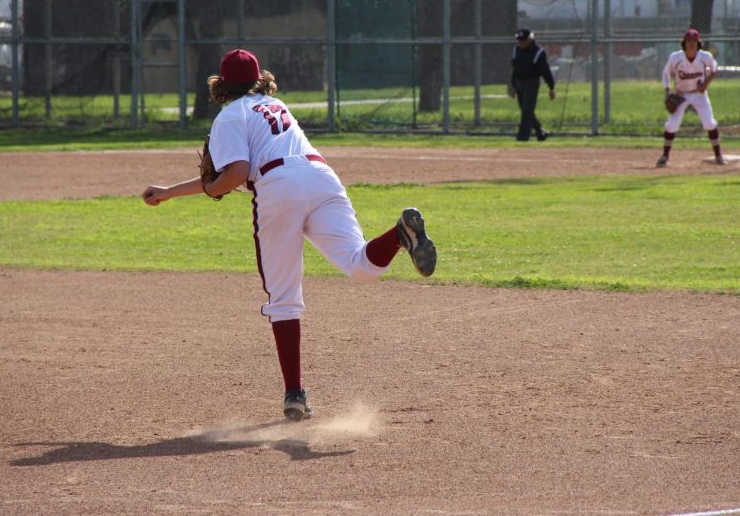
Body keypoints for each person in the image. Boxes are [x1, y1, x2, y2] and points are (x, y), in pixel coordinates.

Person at [141, 49, 437, 421]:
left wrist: (215, 186)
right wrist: (169, 191)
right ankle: (398, 235)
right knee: (362, 266)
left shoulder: (229, 116)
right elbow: (246, 168)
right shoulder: (274, 104)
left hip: (278, 187)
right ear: (258, 80)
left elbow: (235, 175)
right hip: (320, 175)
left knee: (284, 299)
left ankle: (295, 394)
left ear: (219, 86)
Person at [657, 29, 724, 167]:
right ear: (684, 43)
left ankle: (718, 156)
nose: (691, 44)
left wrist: (705, 84)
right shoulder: (675, 57)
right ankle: (665, 156)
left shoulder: (705, 56)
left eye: (694, 41)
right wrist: (667, 91)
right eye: (688, 41)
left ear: (698, 43)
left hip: (699, 95)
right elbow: (665, 73)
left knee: (709, 123)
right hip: (681, 94)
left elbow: (715, 68)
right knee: (671, 125)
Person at [508, 28, 555, 142]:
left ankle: (522, 137)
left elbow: (545, 71)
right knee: (525, 110)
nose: (520, 43)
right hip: (519, 82)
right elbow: (514, 70)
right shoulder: (516, 50)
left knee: (527, 110)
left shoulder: (538, 52)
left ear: (529, 40)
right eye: (518, 41)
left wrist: (551, 87)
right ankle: (540, 132)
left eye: (522, 41)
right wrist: (512, 86)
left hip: (531, 82)